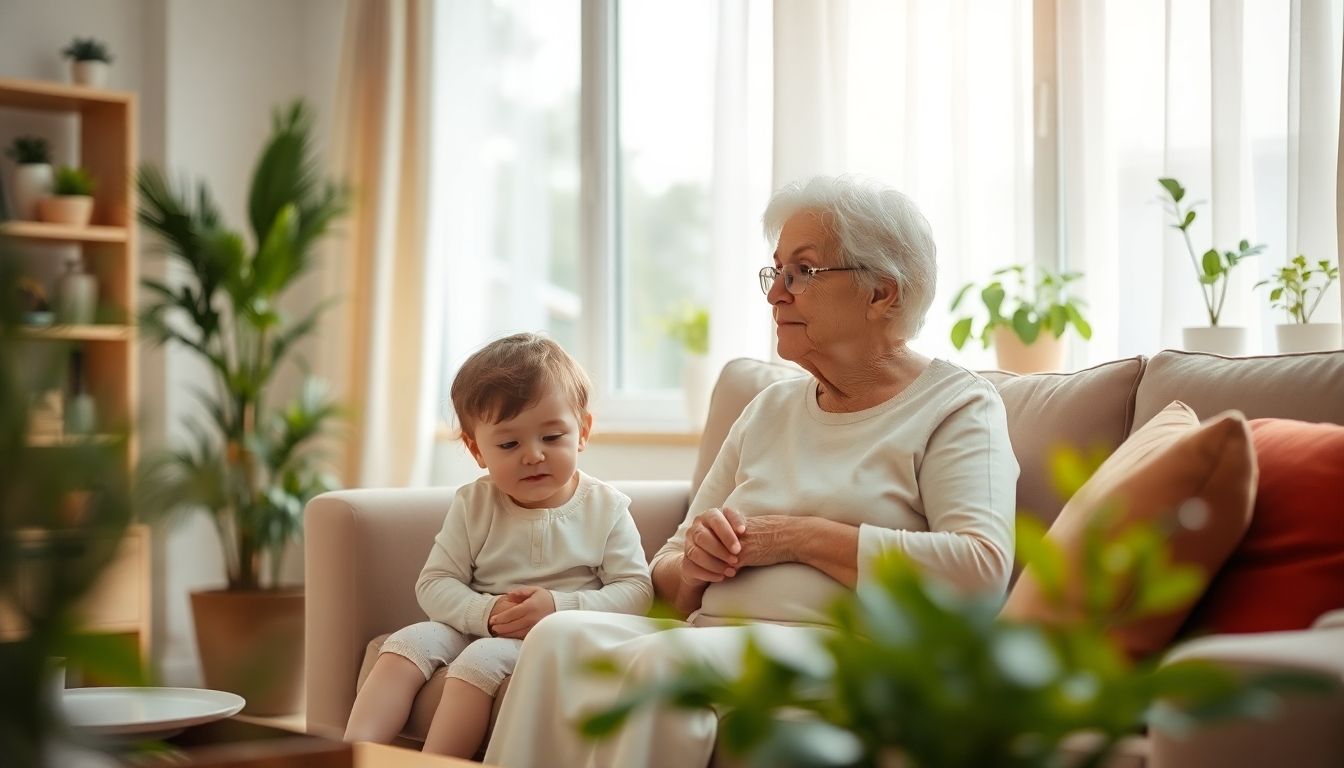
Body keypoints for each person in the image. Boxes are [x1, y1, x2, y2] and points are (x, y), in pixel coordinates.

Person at [483, 175, 1019, 767]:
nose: (775, 295)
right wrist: (695, 565)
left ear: (882, 294)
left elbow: (981, 570)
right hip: (717, 635)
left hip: (854, 650)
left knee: (666, 668)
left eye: (803, 272)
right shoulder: (769, 409)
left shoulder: (957, 407)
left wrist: (797, 538)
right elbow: (668, 568)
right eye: (776, 272)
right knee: (557, 640)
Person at [343, 333, 653, 757]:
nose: (533, 456)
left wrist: (558, 608)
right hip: (478, 624)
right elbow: (435, 582)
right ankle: (344, 757)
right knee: (406, 644)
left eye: (552, 437)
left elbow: (637, 591)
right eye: (509, 444)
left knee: (479, 661)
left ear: (582, 431)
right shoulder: (475, 503)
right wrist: (484, 612)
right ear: (477, 450)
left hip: (558, 637)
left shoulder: (606, 507)